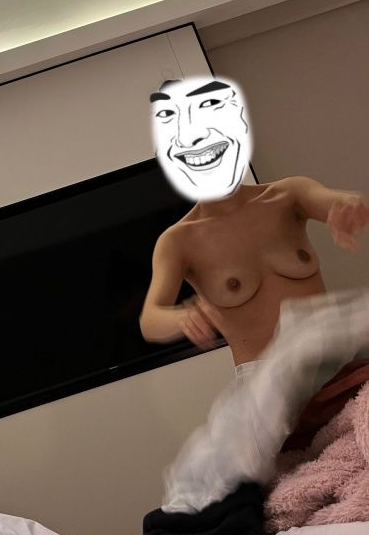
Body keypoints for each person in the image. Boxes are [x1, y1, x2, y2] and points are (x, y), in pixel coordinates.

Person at [139, 77, 369, 367]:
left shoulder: (289, 194)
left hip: (340, 362)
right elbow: (150, 320)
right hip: (267, 381)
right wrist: (183, 317)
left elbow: (339, 202)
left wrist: (352, 207)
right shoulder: (177, 241)